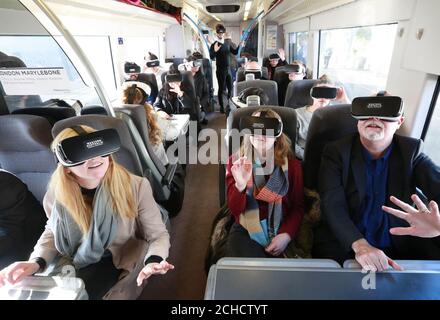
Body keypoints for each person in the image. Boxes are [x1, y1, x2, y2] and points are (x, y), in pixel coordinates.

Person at [0, 126, 173, 299]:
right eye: (81, 154)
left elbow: (157, 235)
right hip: (75, 257)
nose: (95, 158)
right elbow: (52, 231)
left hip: (118, 258)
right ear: (66, 167)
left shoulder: (136, 187)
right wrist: (36, 261)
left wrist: (153, 261)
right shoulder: (56, 195)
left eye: (99, 150)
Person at [316, 95, 440, 271]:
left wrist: (438, 224)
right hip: (347, 244)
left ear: (399, 121)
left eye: (384, 115)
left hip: (400, 245)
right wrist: (359, 245)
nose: (374, 119)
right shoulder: (336, 152)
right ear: (357, 121)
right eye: (367, 114)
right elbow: (332, 204)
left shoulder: (411, 152)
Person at [226, 109, 304, 258]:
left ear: (277, 135)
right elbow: (234, 210)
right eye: (255, 128)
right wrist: (240, 186)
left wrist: (286, 235)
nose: (260, 135)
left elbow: (298, 207)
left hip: (282, 225)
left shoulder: (293, 168)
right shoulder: (236, 162)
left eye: (267, 130)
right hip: (246, 228)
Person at [295, 75, 349, 160]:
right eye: (319, 92)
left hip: (331, 160)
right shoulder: (297, 114)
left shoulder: (337, 114)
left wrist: (344, 100)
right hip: (304, 158)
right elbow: (292, 144)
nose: (322, 97)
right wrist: (308, 158)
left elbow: (353, 124)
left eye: (327, 93)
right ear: (312, 94)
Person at [121, 82, 169, 165]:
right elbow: (170, 133)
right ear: (145, 100)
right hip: (158, 166)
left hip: (132, 165)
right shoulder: (153, 117)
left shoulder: (118, 117)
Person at [209, 24, 244, 113]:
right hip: (220, 70)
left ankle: (229, 104)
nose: (221, 35)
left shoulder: (227, 44)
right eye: (219, 33)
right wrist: (215, 51)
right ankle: (221, 107)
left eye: (222, 33)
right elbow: (211, 57)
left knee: (230, 88)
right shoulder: (214, 45)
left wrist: (240, 45)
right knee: (221, 88)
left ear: (224, 34)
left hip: (228, 69)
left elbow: (235, 52)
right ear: (217, 34)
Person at [186, 55, 209, 124]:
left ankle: (195, 130)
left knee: (193, 120)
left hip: (198, 105)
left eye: (198, 64)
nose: (197, 66)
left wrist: (200, 104)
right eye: (194, 64)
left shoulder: (201, 77)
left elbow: (206, 93)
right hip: (187, 104)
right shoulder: (184, 77)